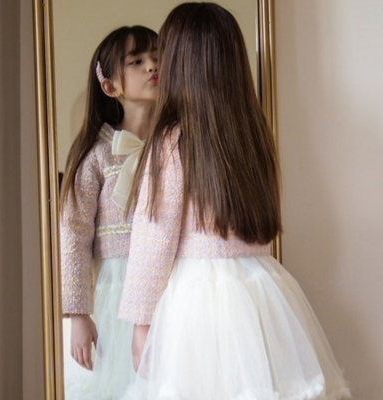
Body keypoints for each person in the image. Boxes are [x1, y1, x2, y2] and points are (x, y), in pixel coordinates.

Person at [118, 3, 351, 400]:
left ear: (179, 63)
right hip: (262, 289)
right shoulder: (251, 134)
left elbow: (154, 238)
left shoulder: (172, 140)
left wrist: (141, 323)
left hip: (198, 298)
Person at [60, 25, 158, 400]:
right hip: (117, 290)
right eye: (137, 61)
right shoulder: (96, 154)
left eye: (157, 57)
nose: (152, 66)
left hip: (171, 281)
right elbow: (73, 235)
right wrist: (78, 314)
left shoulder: (176, 145)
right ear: (110, 85)